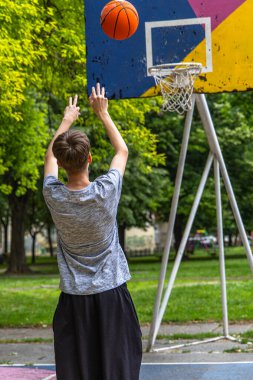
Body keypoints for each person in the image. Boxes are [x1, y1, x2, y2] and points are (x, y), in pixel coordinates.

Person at [43, 83, 142, 380]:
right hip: (112, 297)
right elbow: (122, 150)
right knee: (118, 371)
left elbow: (49, 160)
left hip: (74, 300)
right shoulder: (106, 190)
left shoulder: (54, 195)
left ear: (62, 163)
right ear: (89, 159)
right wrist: (103, 113)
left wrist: (67, 119)